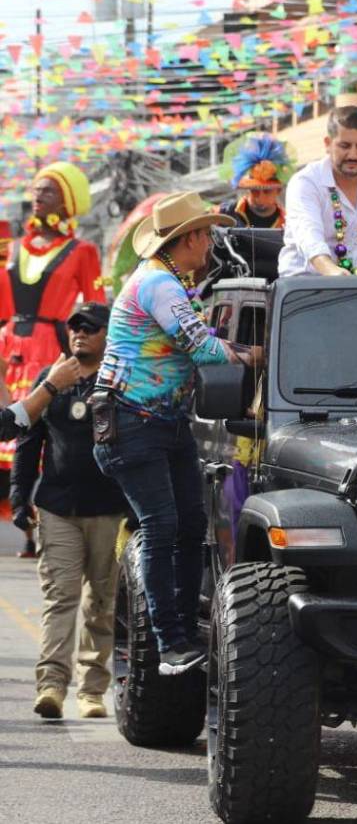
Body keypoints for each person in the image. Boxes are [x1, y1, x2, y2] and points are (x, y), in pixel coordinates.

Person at [93, 192, 263, 675]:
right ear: (188, 239)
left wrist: (238, 350)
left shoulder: (166, 281)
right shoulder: (159, 286)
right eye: (206, 234)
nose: (210, 243)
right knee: (163, 526)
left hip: (162, 425)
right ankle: (170, 641)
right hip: (133, 423)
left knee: (191, 524)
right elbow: (203, 348)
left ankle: (185, 631)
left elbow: (204, 342)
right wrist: (252, 356)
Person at [12, 303, 129, 719]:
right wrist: (19, 495)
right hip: (58, 506)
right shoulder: (51, 380)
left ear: (107, 335)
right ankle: (51, 686)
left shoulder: (121, 382)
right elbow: (27, 438)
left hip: (110, 510)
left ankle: (92, 689)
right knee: (60, 596)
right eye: (74, 327)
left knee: (102, 601)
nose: (79, 334)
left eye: (90, 328)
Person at [0, 163, 104, 494]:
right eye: (36, 189)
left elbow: (97, 306)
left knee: (42, 428)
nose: (38, 196)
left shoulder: (83, 251)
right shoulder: (12, 247)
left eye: (48, 190)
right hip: (8, 345)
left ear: (66, 201)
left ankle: (36, 511)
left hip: (49, 346)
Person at [278, 106, 357, 276]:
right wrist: (332, 272)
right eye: (345, 146)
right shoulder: (305, 182)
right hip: (307, 290)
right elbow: (310, 239)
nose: (353, 155)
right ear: (327, 144)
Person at [217, 132, 295, 228]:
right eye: (254, 190)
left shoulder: (288, 223)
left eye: (267, 191)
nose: (260, 197)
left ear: (278, 191)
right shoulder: (225, 214)